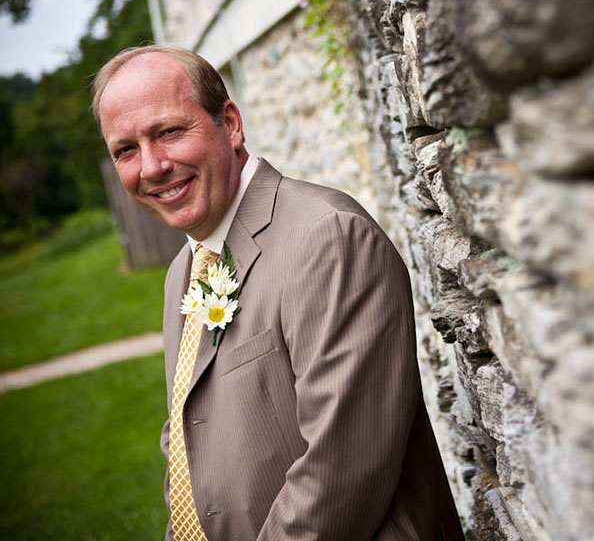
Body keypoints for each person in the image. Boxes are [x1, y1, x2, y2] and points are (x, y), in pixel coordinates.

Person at [92, 46, 464, 540]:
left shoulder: (327, 236)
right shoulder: (184, 268)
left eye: (169, 132)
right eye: (126, 150)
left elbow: (342, 471)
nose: (152, 166)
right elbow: (188, 432)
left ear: (230, 123)